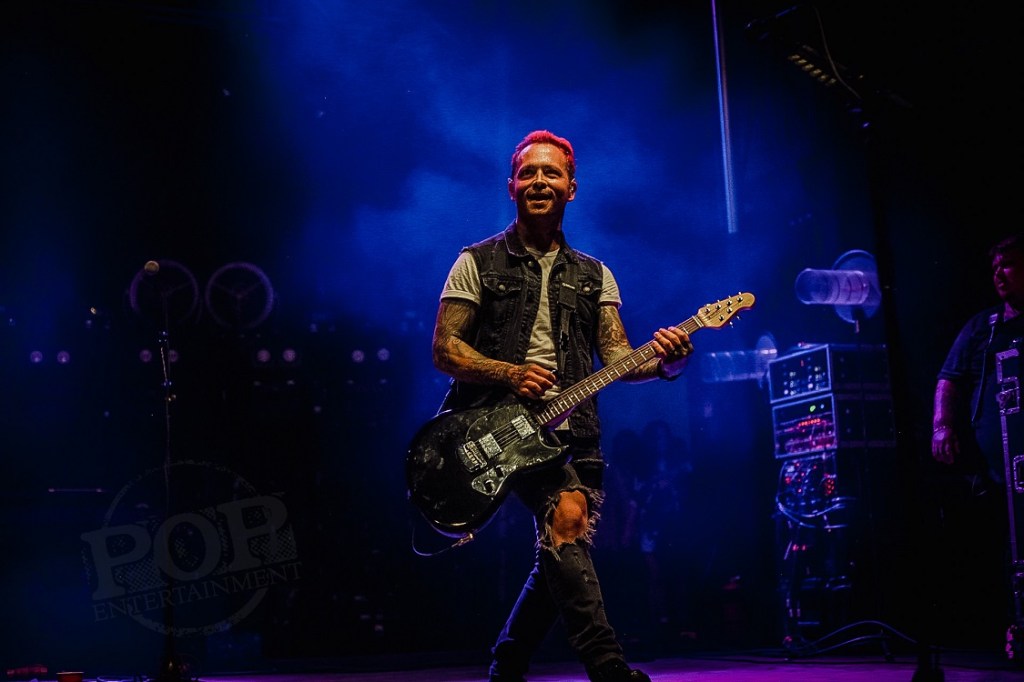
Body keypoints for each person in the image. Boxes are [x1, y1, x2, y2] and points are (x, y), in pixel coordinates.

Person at [431, 130, 693, 682]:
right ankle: (608, 666)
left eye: (551, 173)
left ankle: (507, 664)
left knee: (559, 547)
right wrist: (508, 372)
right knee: (568, 521)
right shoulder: (475, 261)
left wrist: (667, 363)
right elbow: (445, 349)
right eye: (528, 173)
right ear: (511, 186)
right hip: (494, 427)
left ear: (571, 188)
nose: (539, 182)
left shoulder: (596, 275)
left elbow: (619, 358)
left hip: (574, 432)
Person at [929, 232, 1023, 650]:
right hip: (997, 463)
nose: (999, 274)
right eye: (994, 268)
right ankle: (1015, 627)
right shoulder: (982, 326)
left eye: (1008, 264)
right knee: (1007, 545)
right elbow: (949, 379)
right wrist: (942, 426)